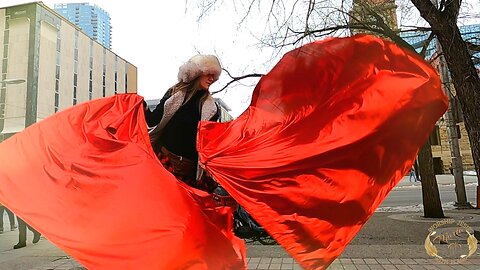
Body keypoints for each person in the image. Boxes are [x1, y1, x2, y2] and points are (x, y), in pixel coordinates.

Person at [144, 54, 222, 192]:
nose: (211, 79)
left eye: (214, 76)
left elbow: (209, 144)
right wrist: (141, 107)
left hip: (189, 172)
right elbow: (153, 121)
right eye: (209, 74)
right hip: (164, 161)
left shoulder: (212, 109)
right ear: (197, 73)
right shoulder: (174, 94)